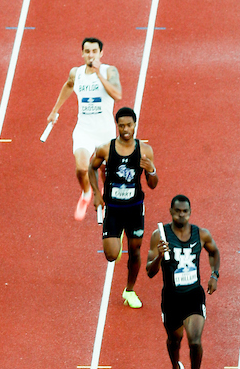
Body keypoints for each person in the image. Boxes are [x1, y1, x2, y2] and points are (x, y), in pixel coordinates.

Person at [146, 195, 220, 369]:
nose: (181, 215)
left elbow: (214, 252)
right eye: (177, 211)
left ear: (190, 212)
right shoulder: (160, 236)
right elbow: (150, 271)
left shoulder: (201, 234)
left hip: (193, 295)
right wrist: (159, 256)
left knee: (195, 340)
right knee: (174, 341)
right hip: (171, 298)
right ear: (171, 211)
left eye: (185, 211)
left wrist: (214, 275)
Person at [89, 107, 158, 307]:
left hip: (134, 208)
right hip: (113, 209)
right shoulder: (105, 149)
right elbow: (92, 168)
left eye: (129, 125)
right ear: (117, 126)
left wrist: (151, 170)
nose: (125, 129)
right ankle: (116, 239)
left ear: (135, 125)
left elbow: (153, 185)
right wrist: (96, 193)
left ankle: (129, 290)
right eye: (121, 126)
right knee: (111, 255)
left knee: (135, 251)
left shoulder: (145, 150)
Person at [47, 38, 122, 219]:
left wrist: (98, 75)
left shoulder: (109, 71)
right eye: (87, 51)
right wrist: (54, 111)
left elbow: (117, 95)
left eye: (94, 51)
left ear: (101, 53)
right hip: (84, 130)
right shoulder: (77, 73)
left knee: (106, 172)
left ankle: (106, 196)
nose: (91, 55)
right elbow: (68, 85)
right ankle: (87, 193)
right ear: (82, 53)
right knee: (82, 169)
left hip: (105, 132)